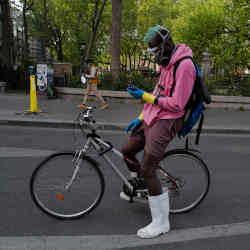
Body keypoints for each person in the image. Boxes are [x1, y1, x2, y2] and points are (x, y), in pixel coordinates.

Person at [120, 25, 196, 238]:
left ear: (166, 45)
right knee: (127, 150)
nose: (154, 56)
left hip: (170, 119)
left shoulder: (185, 66)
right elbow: (156, 94)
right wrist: (141, 117)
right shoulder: (166, 63)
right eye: (151, 53)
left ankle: (161, 223)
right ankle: (142, 185)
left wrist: (144, 96)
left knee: (148, 168)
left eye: (155, 52)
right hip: (155, 115)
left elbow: (177, 105)